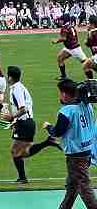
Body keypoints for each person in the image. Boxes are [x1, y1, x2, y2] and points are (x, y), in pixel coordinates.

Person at [2, 66, 62, 183]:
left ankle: (22, 178)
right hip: (25, 123)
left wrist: (12, 117)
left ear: (10, 77)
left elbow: (23, 109)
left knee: (16, 151)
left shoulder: (17, 89)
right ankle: (48, 142)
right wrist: (15, 121)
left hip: (25, 124)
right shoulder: (18, 87)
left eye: (7, 75)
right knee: (23, 152)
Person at [44, 79, 97, 209]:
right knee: (72, 186)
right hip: (87, 150)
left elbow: (57, 132)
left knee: (84, 187)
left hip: (76, 155)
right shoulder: (87, 106)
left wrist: (48, 127)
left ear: (64, 94)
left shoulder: (66, 111)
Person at [53, 14, 88, 80]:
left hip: (75, 49)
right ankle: (64, 76)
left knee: (87, 63)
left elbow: (64, 38)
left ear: (64, 20)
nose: (59, 21)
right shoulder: (71, 26)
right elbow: (76, 34)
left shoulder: (65, 27)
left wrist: (56, 41)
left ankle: (91, 79)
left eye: (60, 20)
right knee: (60, 58)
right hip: (69, 48)